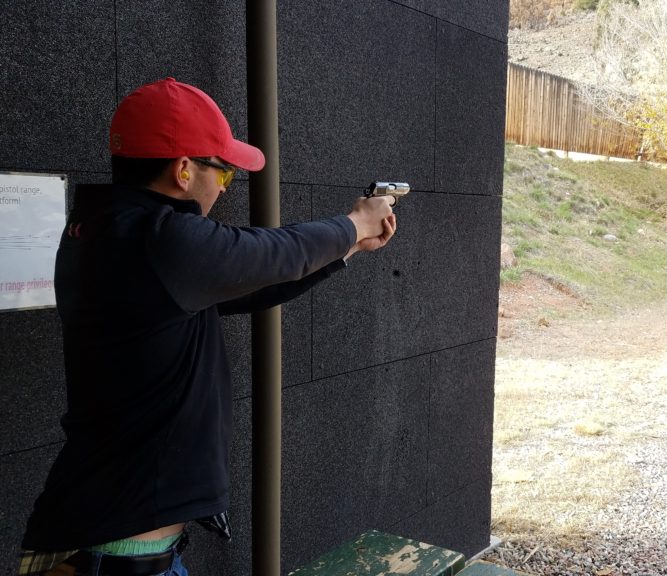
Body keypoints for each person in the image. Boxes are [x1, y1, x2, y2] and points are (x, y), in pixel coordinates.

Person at [17, 77, 397, 576]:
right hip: (120, 555)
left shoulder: (112, 231)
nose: (222, 188)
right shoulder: (162, 239)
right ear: (182, 169)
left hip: (108, 535)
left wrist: (346, 249)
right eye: (224, 175)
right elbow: (272, 253)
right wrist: (355, 221)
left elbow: (251, 281)